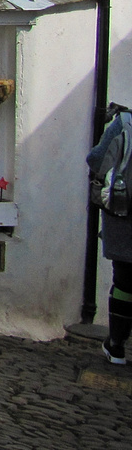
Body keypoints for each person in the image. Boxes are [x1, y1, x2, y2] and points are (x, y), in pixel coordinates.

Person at [88, 102, 132, 364]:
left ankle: (116, 345)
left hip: (124, 211)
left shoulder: (124, 123)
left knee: (126, 280)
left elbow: (96, 159)